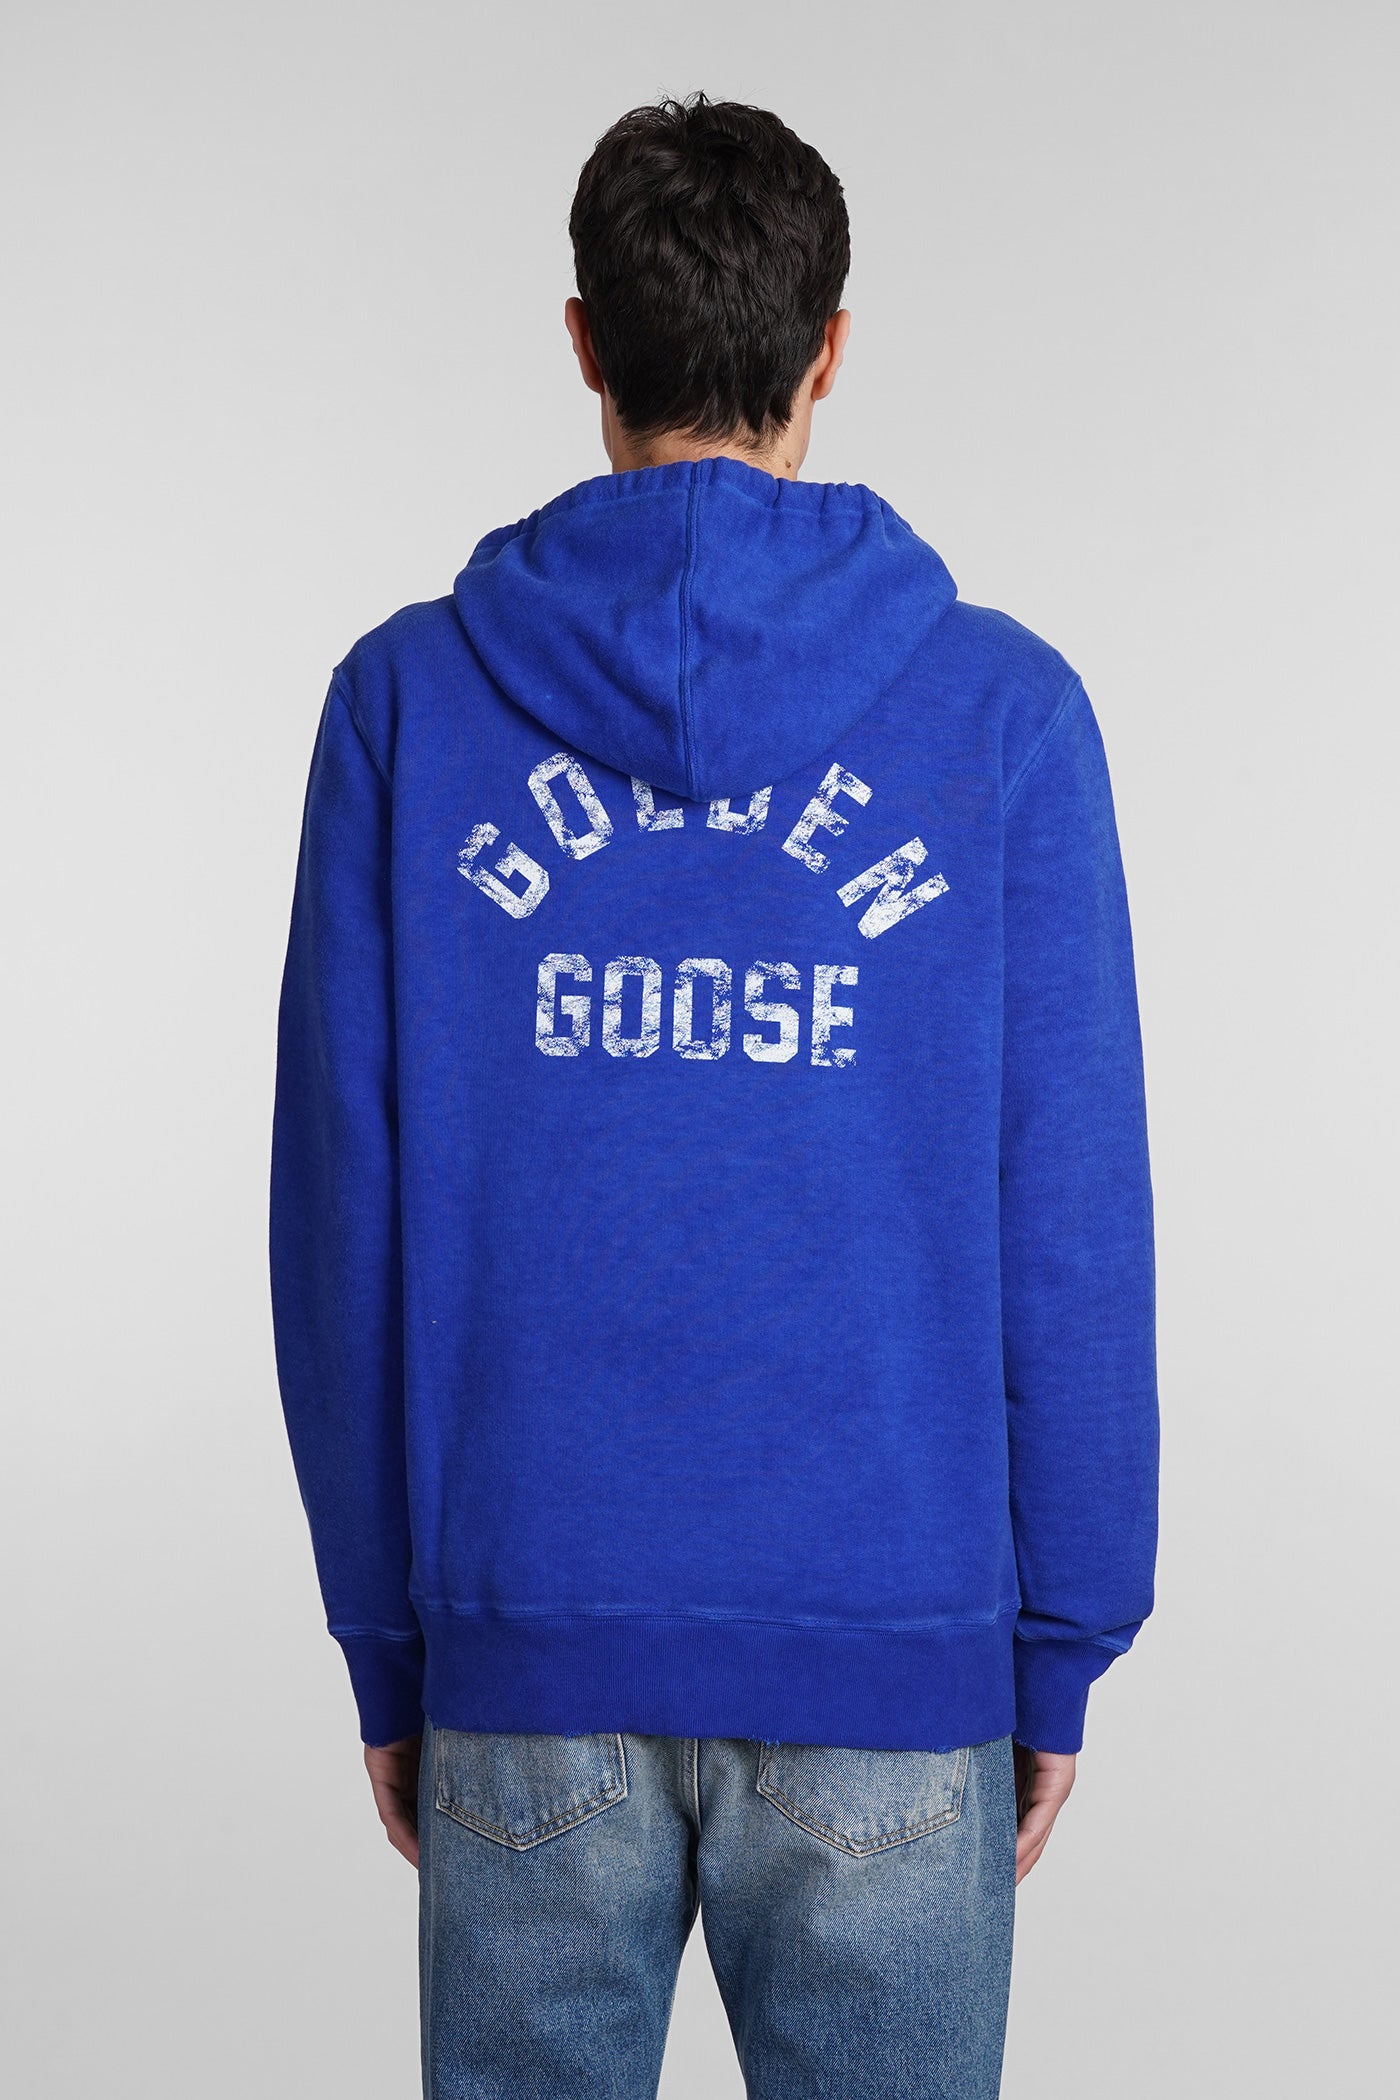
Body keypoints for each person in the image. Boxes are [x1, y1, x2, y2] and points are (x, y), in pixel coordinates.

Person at [270, 91, 1158, 2100]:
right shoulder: (1003, 716)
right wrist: (1061, 1642)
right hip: (892, 1650)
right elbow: (1071, 1226)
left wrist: (389, 1637)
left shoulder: (406, 705)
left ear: (584, 340)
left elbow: (344, 1225)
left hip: (525, 1635)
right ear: (830, 349)